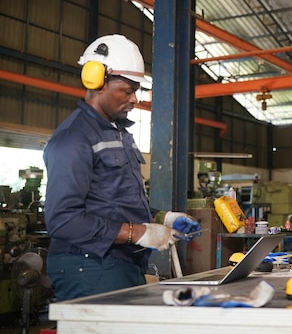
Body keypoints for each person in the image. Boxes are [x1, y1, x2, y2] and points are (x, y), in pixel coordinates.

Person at [43, 34, 201, 301]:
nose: (134, 99)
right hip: (89, 268)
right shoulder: (74, 138)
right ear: (97, 81)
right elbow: (63, 221)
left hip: (119, 265)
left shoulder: (117, 133)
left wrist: (163, 218)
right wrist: (137, 233)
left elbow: (115, 202)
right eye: (127, 91)